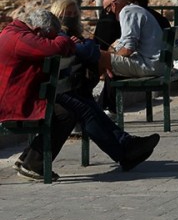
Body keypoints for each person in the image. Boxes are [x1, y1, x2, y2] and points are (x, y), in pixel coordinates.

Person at [0, 10, 161, 181]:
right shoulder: (20, 37)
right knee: (77, 109)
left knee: (77, 105)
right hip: (16, 102)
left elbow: (58, 47)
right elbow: (56, 47)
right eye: (49, 36)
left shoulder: (19, 33)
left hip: (27, 94)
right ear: (39, 30)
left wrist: (62, 41)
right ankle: (124, 149)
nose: (49, 39)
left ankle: (31, 159)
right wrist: (64, 39)